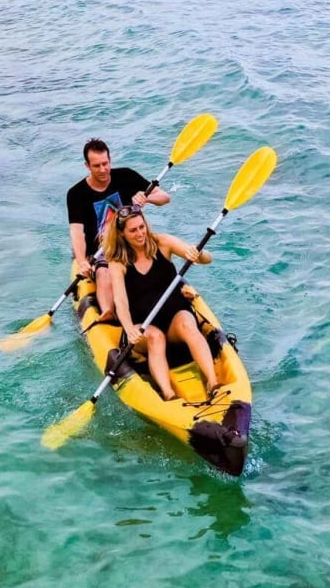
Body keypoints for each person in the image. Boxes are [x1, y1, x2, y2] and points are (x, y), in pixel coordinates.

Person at [104, 205, 217, 400]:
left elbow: (207, 259)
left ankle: (213, 382)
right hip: (144, 325)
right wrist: (129, 328)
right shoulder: (118, 262)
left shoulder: (163, 243)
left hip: (173, 318)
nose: (140, 233)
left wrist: (198, 254)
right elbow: (120, 301)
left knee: (187, 323)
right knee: (156, 337)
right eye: (133, 230)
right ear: (122, 234)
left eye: (142, 227)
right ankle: (169, 394)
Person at [67, 138, 168, 320]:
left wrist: (146, 198)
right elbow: (76, 232)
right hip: (102, 251)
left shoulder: (126, 176)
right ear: (87, 166)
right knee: (105, 272)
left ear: (110, 160)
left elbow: (164, 197)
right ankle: (108, 312)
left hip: (132, 241)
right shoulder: (76, 194)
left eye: (105, 163)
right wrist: (82, 261)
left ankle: (173, 292)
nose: (103, 169)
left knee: (158, 257)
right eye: (96, 166)